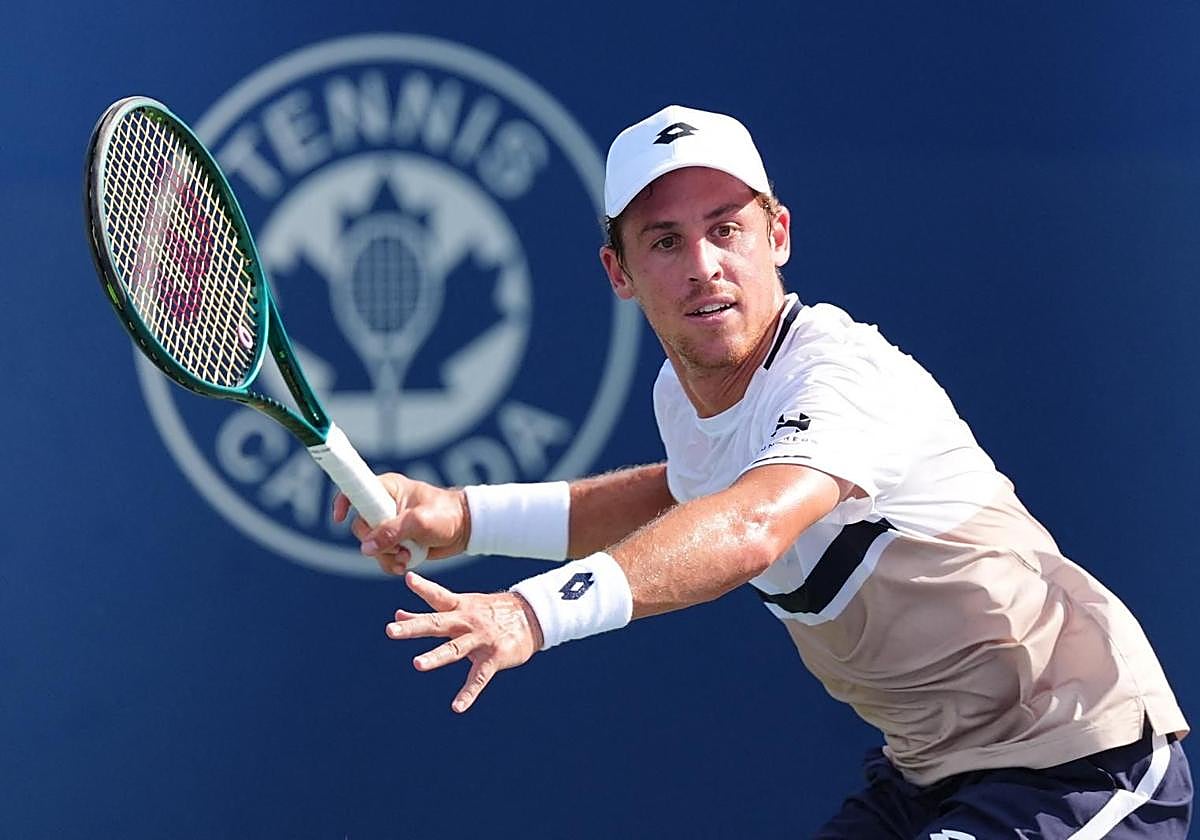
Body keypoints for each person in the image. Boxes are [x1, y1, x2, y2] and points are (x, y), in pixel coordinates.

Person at [332, 105, 1192, 838]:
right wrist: (464, 516)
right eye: (664, 241)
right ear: (619, 273)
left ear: (776, 234)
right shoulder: (687, 392)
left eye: (726, 229)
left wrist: (532, 612)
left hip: (1081, 756)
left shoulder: (842, 374)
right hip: (931, 770)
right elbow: (683, 496)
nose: (704, 264)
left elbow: (748, 525)